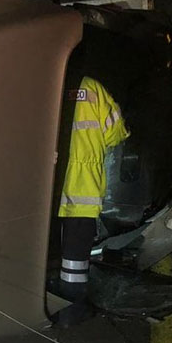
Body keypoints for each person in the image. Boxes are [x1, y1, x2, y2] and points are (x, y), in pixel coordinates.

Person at [54, 76, 129, 323]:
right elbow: (115, 133)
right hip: (82, 184)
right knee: (75, 255)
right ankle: (71, 309)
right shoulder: (92, 88)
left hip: (47, 183)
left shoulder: (43, 74)